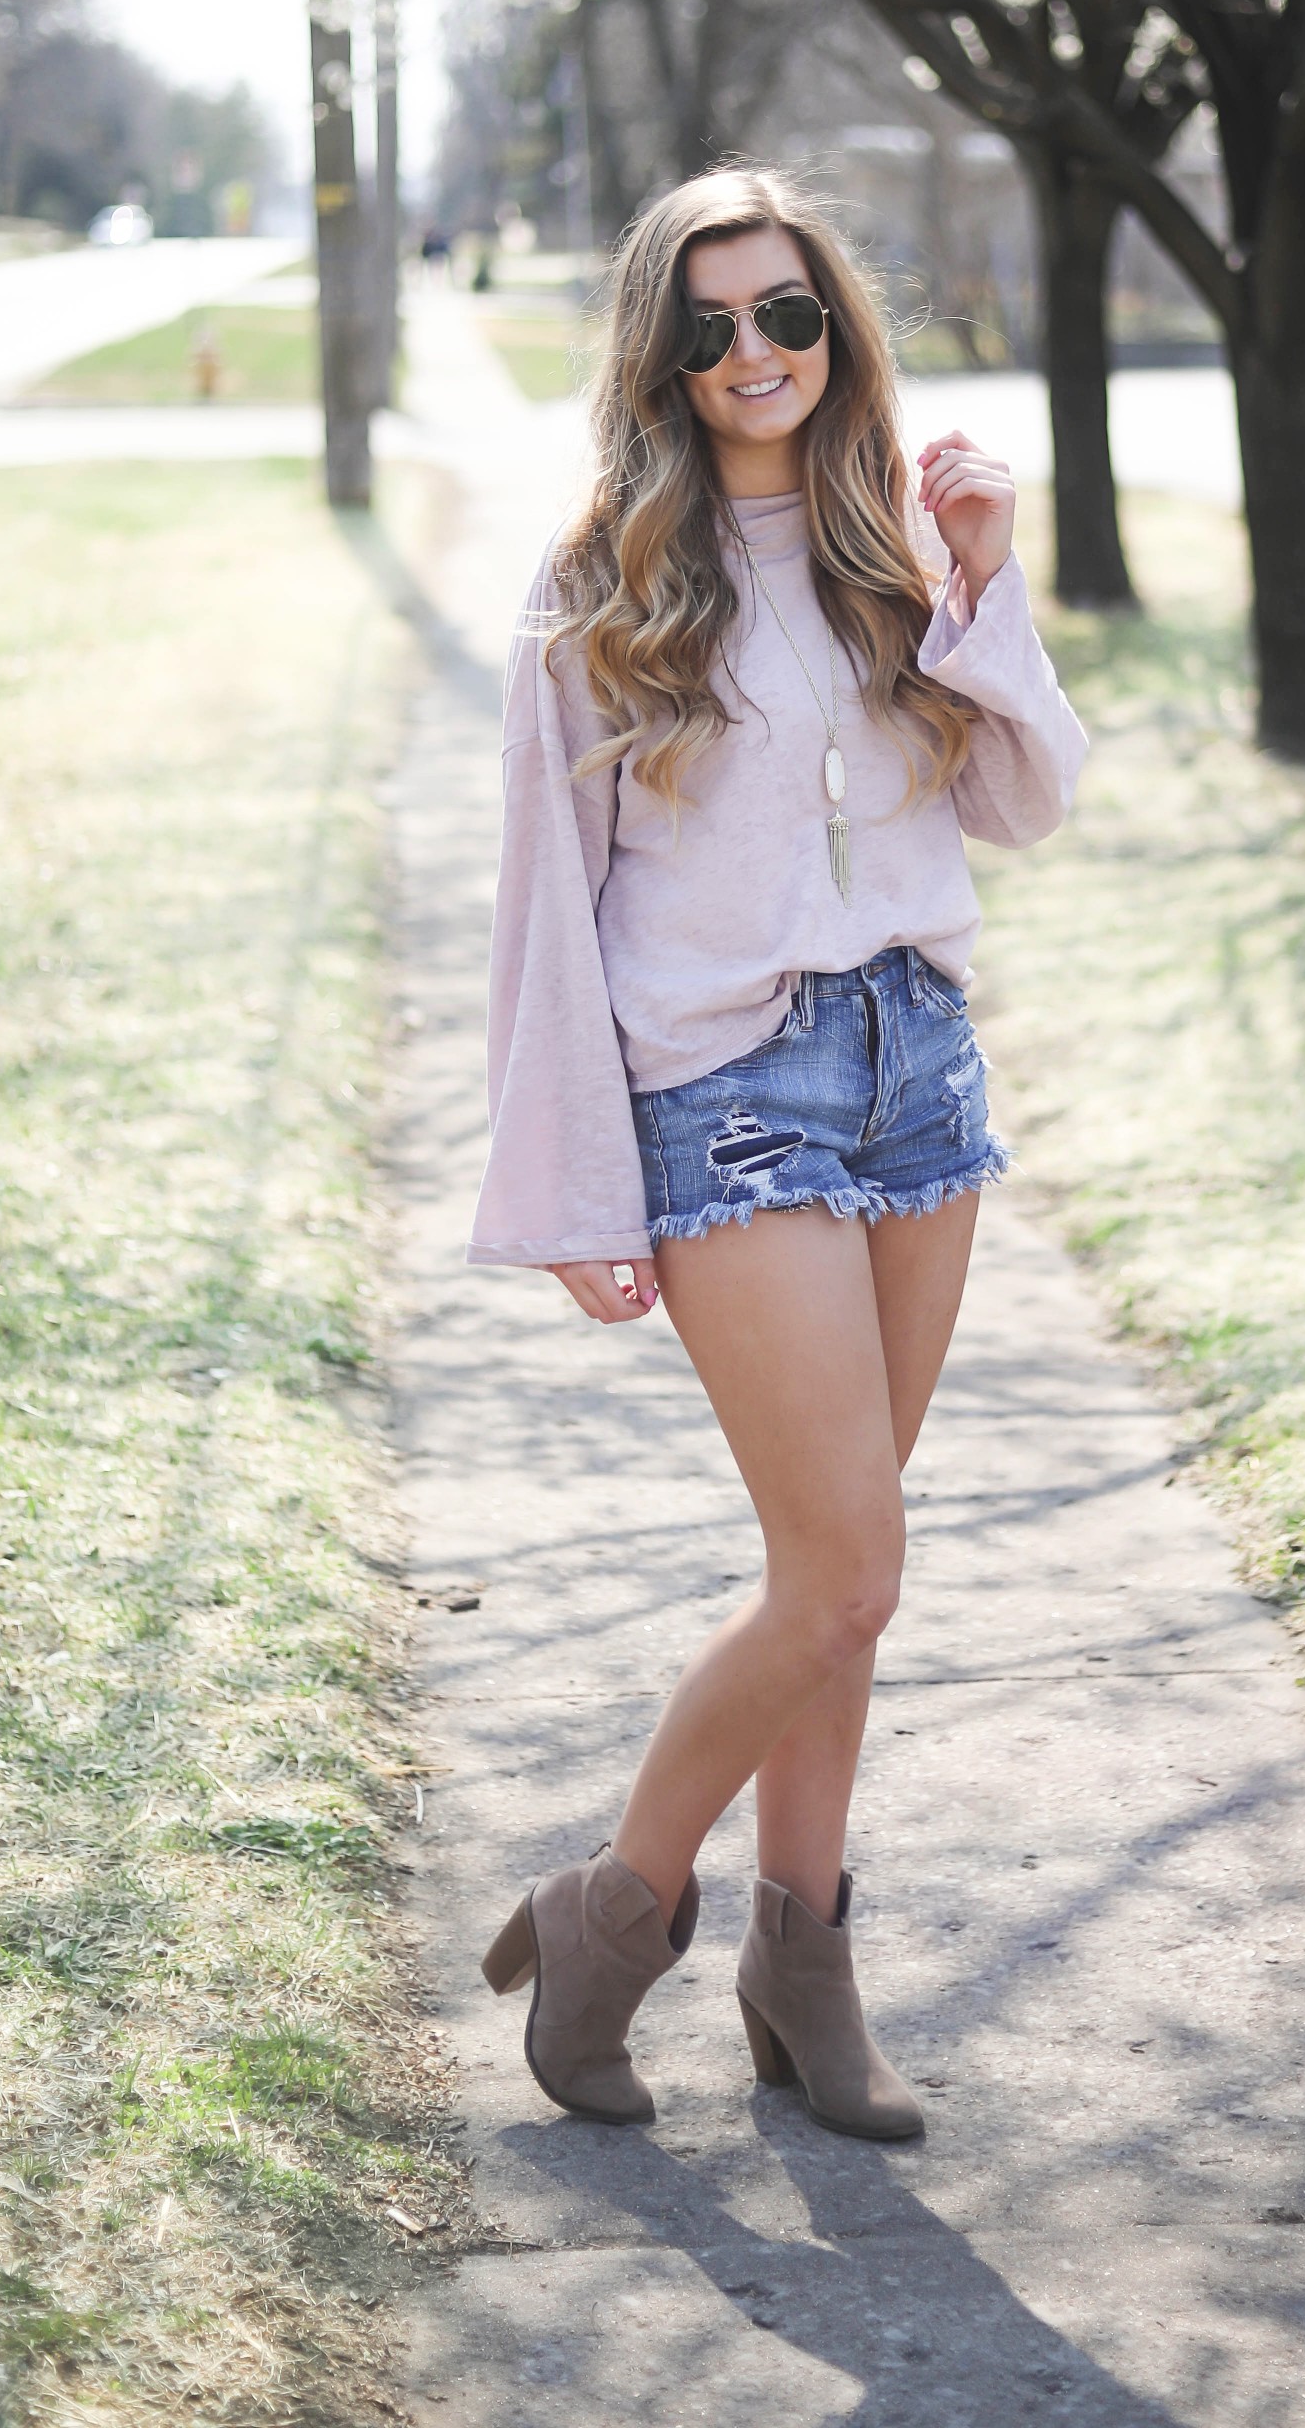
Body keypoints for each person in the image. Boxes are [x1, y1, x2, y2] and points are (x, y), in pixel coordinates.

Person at [468, 166, 1086, 2142]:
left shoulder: (895, 543)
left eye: (788, 317)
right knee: (840, 1570)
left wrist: (984, 581)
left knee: (851, 1573)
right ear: (659, 355)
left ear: (838, 332)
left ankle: (801, 1959)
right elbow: (544, 917)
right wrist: (573, 1188)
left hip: (916, 1060)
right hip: (724, 1086)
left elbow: (1030, 802)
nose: (755, 356)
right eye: (710, 327)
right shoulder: (599, 591)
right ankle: (618, 1911)